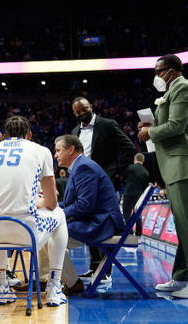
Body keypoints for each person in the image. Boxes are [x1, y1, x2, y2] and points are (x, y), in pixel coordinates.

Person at [137, 54, 188, 299]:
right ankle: (181, 277)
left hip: (186, 164)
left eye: (160, 71)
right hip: (175, 165)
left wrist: (150, 132)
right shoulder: (172, 91)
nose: (157, 76)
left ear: (172, 70)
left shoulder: (183, 88)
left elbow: (176, 126)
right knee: (182, 224)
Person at [0, 116, 68, 306]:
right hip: (26, 232)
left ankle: (1, 286)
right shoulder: (40, 150)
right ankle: (54, 286)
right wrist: (37, 202)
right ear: (29, 135)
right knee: (60, 215)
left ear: (4, 136)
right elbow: (52, 203)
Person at [69, 96, 135, 282]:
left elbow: (128, 148)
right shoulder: (75, 131)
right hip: (84, 184)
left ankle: (106, 269)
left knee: (104, 224)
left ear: (91, 106)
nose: (83, 113)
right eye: (78, 112)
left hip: (104, 183)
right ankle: (94, 266)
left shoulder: (107, 125)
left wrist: (116, 172)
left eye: (85, 109)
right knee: (88, 222)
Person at [53, 134, 125, 295]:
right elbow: (73, 203)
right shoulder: (80, 166)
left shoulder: (84, 167)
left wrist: (57, 215)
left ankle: (71, 283)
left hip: (102, 223)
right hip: (97, 219)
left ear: (71, 150)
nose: (55, 155)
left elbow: (84, 205)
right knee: (48, 232)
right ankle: (51, 280)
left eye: (58, 150)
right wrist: (50, 206)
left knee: (50, 235)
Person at [121, 153, 150, 236]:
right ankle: (139, 233)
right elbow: (146, 186)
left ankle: (129, 231)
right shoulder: (146, 172)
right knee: (138, 214)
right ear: (143, 161)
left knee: (127, 213)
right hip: (140, 196)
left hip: (129, 194)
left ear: (135, 159)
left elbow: (122, 180)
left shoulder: (130, 168)